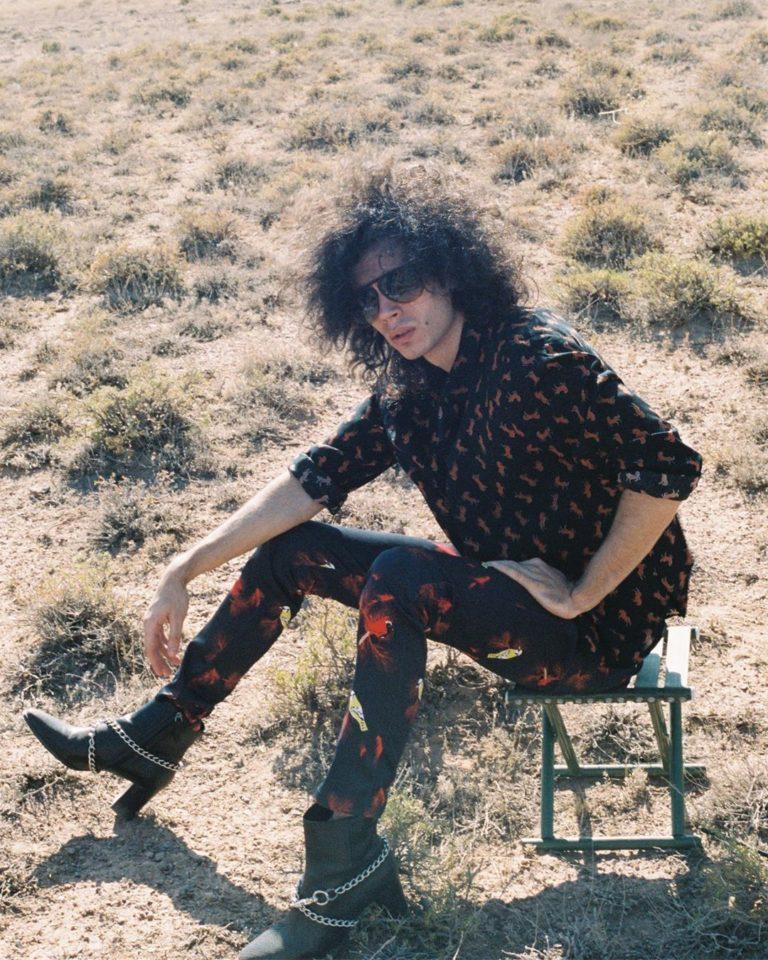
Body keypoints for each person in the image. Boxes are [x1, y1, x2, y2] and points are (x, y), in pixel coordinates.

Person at [23, 164, 703, 960]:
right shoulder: (409, 388)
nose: (386, 312)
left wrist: (584, 592)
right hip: (513, 598)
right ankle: (158, 732)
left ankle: (342, 862)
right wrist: (182, 568)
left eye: (401, 284)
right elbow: (312, 481)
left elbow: (668, 464)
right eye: (366, 300)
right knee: (295, 552)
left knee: (400, 580)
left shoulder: (535, 359)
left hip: (597, 635)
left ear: (452, 272)